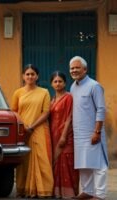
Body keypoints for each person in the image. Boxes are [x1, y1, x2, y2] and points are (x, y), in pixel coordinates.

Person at [69, 56, 109, 200]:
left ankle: (100, 195)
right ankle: (87, 191)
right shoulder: (73, 86)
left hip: (93, 133)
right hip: (78, 134)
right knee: (83, 164)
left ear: (85, 69)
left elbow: (101, 109)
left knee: (98, 165)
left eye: (77, 67)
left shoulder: (94, 86)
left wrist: (97, 131)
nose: (74, 70)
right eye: (72, 68)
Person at [11, 64, 53, 198]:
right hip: (22, 130)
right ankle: (24, 189)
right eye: (27, 74)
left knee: (42, 159)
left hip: (39, 129)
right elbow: (14, 112)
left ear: (37, 76)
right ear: (23, 76)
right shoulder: (18, 92)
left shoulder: (44, 92)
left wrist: (32, 126)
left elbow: (46, 112)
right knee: (24, 160)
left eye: (32, 74)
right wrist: (23, 127)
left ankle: (43, 190)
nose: (30, 76)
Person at [49, 71, 79, 199]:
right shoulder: (52, 99)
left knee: (67, 161)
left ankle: (70, 193)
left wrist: (63, 136)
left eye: (60, 81)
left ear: (65, 83)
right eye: (55, 81)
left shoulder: (69, 97)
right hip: (53, 134)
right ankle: (57, 192)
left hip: (66, 135)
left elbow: (69, 117)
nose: (57, 84)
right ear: (51, 84)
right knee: (55, 163)